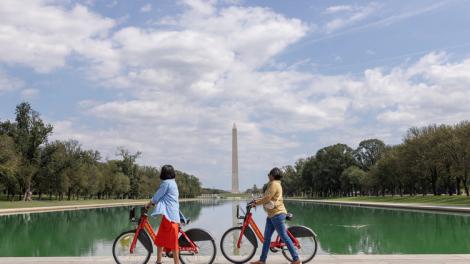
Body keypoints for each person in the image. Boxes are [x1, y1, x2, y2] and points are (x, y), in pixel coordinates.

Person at [250, 167, 300, 264]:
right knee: (267, 238)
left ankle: (296, 259)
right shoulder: (275, 184)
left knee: (284, 237)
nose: (268, 176)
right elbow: (266, 196)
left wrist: (256, 203)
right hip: (272, 215)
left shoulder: (274, 184)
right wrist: (256, 200)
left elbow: (267, 198)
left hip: (277, 214)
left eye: (269, 174)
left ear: (273, 176)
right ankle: (262, 260)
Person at [145, 165, 180, 264]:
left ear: (163, 173)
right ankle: (158, 261)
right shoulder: (173, 183)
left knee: (173, 244)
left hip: (170, 217)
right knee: (160, 239)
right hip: (169, 216)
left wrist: (148, 203)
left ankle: (177, 263)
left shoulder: (166, 183)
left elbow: (157, 197)